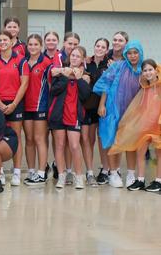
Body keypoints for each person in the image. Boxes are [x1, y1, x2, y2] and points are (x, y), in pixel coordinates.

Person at [93, 40, 144, 188]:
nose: (133, 56)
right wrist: (102, 104)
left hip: (134, 113)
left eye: (135, 53)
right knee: (113, 141)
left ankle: (130, 174)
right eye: (129, 53)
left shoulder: (144, 70)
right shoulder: (117, 67)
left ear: (140, 53)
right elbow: (105, 85)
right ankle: (113, 173)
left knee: (131, 144)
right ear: (125, 54)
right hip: (114, 109)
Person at [108, 59, 161, 192]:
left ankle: (158, 181)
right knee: (140, 151)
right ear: (142, 73)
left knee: (159, 153)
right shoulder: (144, 88)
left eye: (150, 70)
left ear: (156, 70)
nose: (148, 73)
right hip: (145, 125)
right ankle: (140, 180)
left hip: (158, 125)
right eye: (145, 70)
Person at [0, 30, 29, 186]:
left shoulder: (21, 60)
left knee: (16, 137)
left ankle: (17, 172)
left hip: (15, 103)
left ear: (12, 42)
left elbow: (24, 83)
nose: (3, 43)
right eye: (0, 40)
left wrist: (14, 104)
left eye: (6, 40)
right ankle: (0, 171)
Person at [49, 46, 91, 189]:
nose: (74, 58)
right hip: (58, 115)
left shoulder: (85, 75)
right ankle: (61, 176)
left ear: (82, 59)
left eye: (78, 56)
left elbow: (86, 96)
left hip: (74, 115)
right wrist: (66, 77)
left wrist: (78, 79)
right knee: (59, 146)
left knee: (74, 146)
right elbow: (53, 90)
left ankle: (79, 177)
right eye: (73, 55)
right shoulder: (61, 73)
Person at [22, 34, 52, 186]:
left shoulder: (47, 63)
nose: (33, 47)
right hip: (25, 106)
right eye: (30, 44)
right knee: (29, 139)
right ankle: (32, 171)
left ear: (41, 46)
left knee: (40, 138)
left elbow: (53, 86)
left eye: (36, 44)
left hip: (41, 106)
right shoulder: (24, 62)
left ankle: (42, 172)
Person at [82, 38, 110, 186]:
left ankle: (106, 170)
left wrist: (103, 104)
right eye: (97, 45)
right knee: (89, 140)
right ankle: (90, 172)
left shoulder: (109, 64)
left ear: (107, 50)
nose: (99, 48)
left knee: (103, 139)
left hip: (104, 107)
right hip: (89, 107)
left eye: (103, 47)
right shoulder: (86, 62)